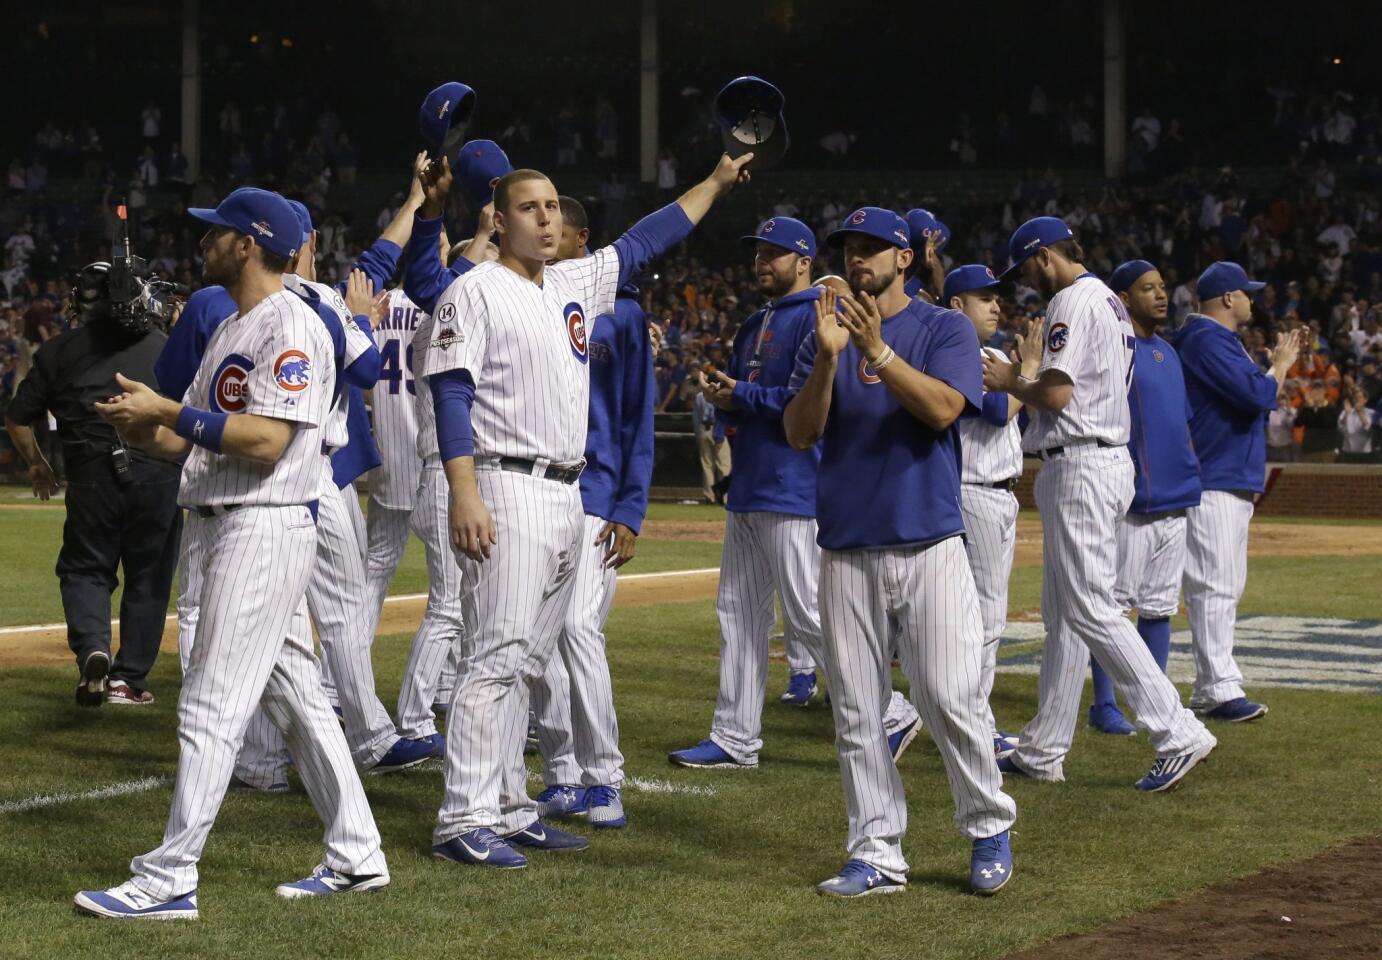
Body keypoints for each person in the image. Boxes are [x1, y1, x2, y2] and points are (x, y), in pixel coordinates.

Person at [422, 153, 753, 870]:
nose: (545, 218)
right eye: (529, 208)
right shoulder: (473, 291)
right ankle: (462, 818)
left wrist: (717, 181)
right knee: (495, 657)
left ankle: (509, 808)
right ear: (499, 220)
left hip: (569, 493)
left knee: (534, 659)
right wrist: (464, 491)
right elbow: (451, 393)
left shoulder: (573, 281)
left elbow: (647, 239)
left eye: (551, 208)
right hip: (505, 482)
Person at [75, 187, 387, 919]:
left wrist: (169, 411)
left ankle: (169, 878)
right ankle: (357, 852)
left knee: (212, 703)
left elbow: (267, 441)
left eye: (217, 233)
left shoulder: (294, 328)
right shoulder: (230, 327)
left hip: (262, 524)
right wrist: (139, 426)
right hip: (223, 523)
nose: (205, 242)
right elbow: (189, 436)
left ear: (248, 243)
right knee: (299, 699)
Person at [153, 159, 437, 783]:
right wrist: (415, 202)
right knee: (322, 617)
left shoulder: (216, 303)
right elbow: (376, 287)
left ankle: (259, 755)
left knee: (230, 619)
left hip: (255, 477)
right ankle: (360, 738)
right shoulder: (325, 301)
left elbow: (173, 391)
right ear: (307, 244)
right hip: (318, 476)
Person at [783, 207, 1016, 898]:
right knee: (857, 711)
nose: (858, 258)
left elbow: (946, 409)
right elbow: (800, 433)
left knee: (949, 698)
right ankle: (876, 850)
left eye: (873, 248)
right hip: (848, 545)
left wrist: (878, 352)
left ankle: (986, 825)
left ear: (904, 259)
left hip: (930, 541)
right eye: (850, 248)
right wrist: (829, 358)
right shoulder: (822, 333)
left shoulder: (942, 327)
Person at [668, 220, 922, 771]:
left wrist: (743, 393)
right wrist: (726, 396)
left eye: (775, 254)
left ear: (803, 261)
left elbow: (805, 401)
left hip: (796, 486)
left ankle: (890, 711)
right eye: (758, 252)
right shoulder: (755, 322)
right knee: (737, 613)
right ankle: (734, 737)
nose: (762, 261)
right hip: (752, 485)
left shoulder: (821, 313)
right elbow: (753, 396)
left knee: (810, 617)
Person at [983, 217, 1215, 791]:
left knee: (1088, 606)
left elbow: (1057, 394)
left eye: (1026, 267)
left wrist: (1012, 378)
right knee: (1065, 614)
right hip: (1101, 460)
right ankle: (1043, 748)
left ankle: (1175, 729)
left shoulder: (1072, 300)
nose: (1026, 281)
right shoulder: (1109, 302)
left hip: (1082, 461)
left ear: (1043, 256)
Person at [530, 195, 656, 828]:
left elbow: (637, 416)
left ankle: (604, 776)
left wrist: (631, 507)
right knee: (538, 641)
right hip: (536, 492)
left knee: (578, 629)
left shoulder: (624, 316)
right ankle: (561, 774)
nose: (549, 233)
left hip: (598, 492)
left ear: (584, 240)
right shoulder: (525, 299)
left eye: (562, 227)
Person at [4, 262, 182, 706]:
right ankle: (128, 680)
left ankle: (93, 650)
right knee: (148, 578)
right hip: (159, 475)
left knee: (86, 569)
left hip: (91, 478)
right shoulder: (167, 346)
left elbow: (17, 418)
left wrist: (38, 465)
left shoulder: (60, 350)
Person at [1172, 261, 1305, 721]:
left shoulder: (1211, 339)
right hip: (1214, 477)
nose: (1252, 299)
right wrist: (1280, 367)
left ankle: (1214, 686)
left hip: (1219, 476)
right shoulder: (1207, 338)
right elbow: (1256, 397)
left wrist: (1271, 372)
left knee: (1219, 584)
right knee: (1214, 585)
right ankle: (1219, 689)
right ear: (1228, 298)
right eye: (1246, 292)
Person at [1085, 260, 1202, 735]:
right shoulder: (1114, 350)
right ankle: (1105, 703)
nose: (1161, 295)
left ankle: (1155, 700)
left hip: (1177, 499)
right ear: (1123, 299)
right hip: (1134, 502)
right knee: (1113, 609)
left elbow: (1182, 423)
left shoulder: (1168, 354)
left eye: (1163, 287)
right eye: (1147, 288)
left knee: (1158, 609)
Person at [943, 264, 1028, 758]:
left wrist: (1020, 376)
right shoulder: (957, 349)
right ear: (957, 305)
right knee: (984, 617)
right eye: (983, 298)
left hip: (1000, 493)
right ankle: (977, 726)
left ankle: (974, 719)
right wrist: (1027, 373)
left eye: (997, 297)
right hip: (974, 491)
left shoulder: (994, 353)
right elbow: (998, 412)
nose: (997, 305)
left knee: (986, 616)